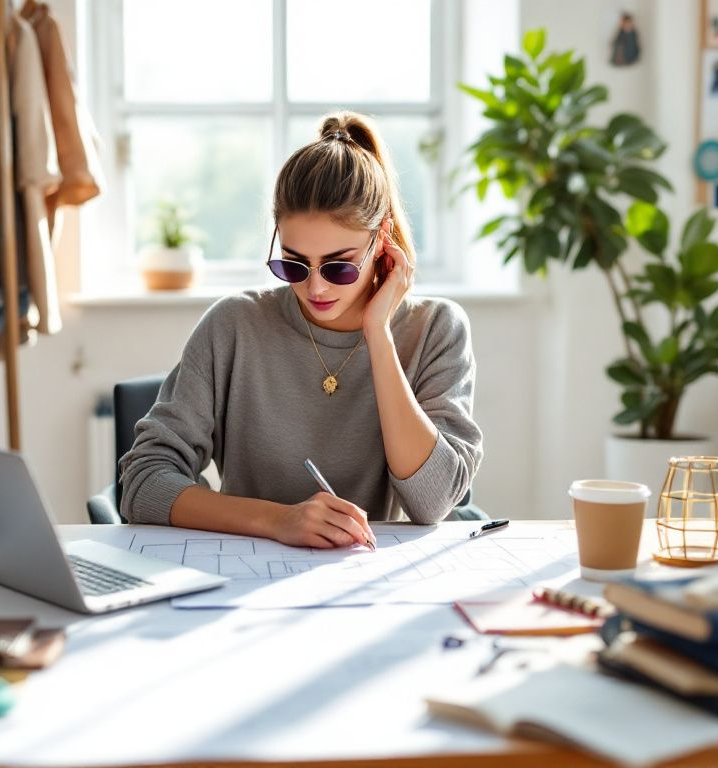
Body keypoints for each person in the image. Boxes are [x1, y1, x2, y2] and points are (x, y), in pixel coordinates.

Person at [118, 111, 484, 549]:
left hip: (368, 582)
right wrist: (277, 521)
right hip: (241, 579)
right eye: (292, 262)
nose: (315, 286)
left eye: (339, 265)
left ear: (382, 238)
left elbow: (433, 501)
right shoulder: (233, 325)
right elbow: (143, 484)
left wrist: (378, 334)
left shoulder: (435, 330)